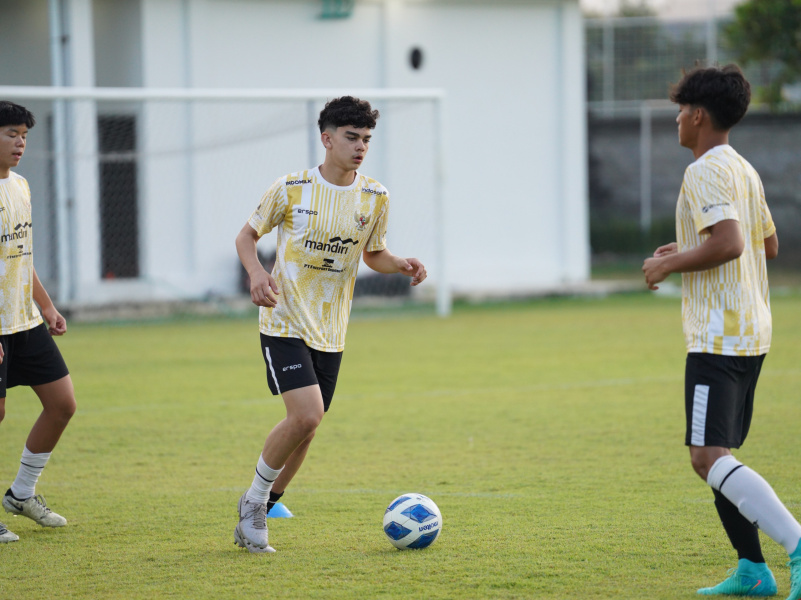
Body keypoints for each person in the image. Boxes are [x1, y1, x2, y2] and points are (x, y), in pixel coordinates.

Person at [233, 96, 427, 553]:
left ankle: (269, 497)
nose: (360, 147)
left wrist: (400, 263)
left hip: (332, 328)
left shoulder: (375, 196)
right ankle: (254, 505)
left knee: (308, 426)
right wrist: (257, 273)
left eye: (366, 139)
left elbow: (372, 252)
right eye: (351, 137)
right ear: (327, 139)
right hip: (283, 321)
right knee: (307, 414)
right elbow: (247, 236)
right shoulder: (291, 187)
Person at [643, 64, 801, 599]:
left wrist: (667, 266)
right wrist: (683, 248)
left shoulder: (705, 170)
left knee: (707, 457)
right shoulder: (743, 169)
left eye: (680, 112)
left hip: (721, 334)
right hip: (752, 329)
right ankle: (752, 571)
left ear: (698, 115)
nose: (678, 122)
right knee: (718, 456)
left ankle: (796, 546)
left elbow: (732, 243)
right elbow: (768, 245)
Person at [0, 101, 76, 543]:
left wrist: (46, 306)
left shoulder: (22, 187)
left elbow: (20, 258)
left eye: (24, 135)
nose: (20, 142)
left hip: (23, 321)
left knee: (62, 403)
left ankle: (21, 494)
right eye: (11, 133)